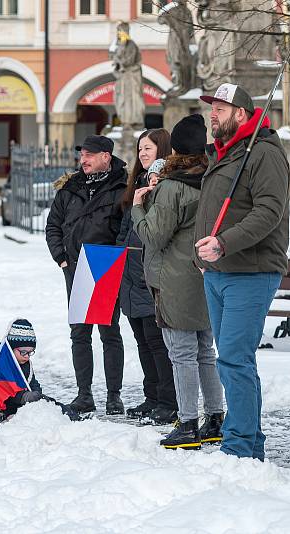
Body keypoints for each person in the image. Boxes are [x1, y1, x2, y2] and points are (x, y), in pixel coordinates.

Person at [194, 83, 289, 461]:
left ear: (241, 114)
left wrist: (223, 243)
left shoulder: (263, 153)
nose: (212, 114)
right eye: (211, 108)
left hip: (250, 270)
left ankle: (239, 445)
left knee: (234, 357)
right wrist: (204, 256)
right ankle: (248, 443)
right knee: (231, 358)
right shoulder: (226, 153)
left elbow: (268, 212)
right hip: (218, 271)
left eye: (221, 108)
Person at [133, 114, 226, 449]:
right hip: (205, 271)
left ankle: (187, 423)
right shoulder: (213, 179)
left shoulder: (172, 187)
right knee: (205, 350)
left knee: (182, 353)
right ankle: (215, 418)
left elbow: (153, 236)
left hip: (174, 278)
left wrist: (137, 207)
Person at [46, 135, 127, 416]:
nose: (84, 159)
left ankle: (114, 396)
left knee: (109, 332)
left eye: (90, 154)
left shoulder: (122, 187)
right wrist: (61, 257)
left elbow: (126, 228)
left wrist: (115, 257)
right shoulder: (70, 188)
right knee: (79, 333)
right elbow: (53, 224)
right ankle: (84, 395)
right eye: (82, 154)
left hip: (105, 265)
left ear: (106, 156)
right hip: (75, 265)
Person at [118, 129, 178, 424]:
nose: (142, 153)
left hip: (150, 270)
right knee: (142, 340)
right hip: (129, 271)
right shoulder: (138, 183)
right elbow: (125, 226)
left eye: (149, 148)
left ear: (162, 150)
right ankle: (152, 396)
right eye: (140, 149)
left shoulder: (163, 186)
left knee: (157, 341)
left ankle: (169, 400)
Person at [0, 319, 86, 432]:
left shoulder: (25, 363)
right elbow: (2, 390)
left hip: (19, 403)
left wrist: (36, 394)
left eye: (31, 352)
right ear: (11, 347)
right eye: (23, 352)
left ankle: (74, 418)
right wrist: (24, 397)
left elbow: (32, 382)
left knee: (50, 402)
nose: (27, 356)